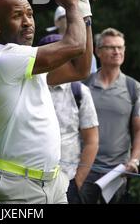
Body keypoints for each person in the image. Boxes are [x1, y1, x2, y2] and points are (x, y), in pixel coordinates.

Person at [0, 0, 93, 204]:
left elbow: (80, 69)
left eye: (30, 14)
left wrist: (85, 14)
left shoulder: (29, 61)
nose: (27, 22)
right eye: (17, 16)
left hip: (53, 183)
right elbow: (75, 45)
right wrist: (72, 5)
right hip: (15, 186)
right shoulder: (6, 59)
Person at [81, 27, 140, 204]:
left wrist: (135, 160)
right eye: (111, 47)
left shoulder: (135, 88)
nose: (117, 51)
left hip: (116, 173)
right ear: (98, 51)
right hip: (82, 169)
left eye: (120, 47)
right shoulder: (83, 85)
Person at [38, 34, 99, 204]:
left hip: (67, 181)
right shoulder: (28, 88)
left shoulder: (79, 92)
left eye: (62, 55)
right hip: (29, 179)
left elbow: (92, 141)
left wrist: (78, 181)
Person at [52, 6, 97, 73]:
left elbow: (90, 79)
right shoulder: (47, 45)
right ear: (57, 22)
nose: (73, 18)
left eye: (78, 16)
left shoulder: (87, 51)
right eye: (67, 15)